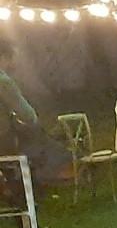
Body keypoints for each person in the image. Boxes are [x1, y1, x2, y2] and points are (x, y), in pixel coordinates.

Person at [0, 39, 73, 186]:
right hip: (4, 142)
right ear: (3, 57)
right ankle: (52, 176)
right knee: (41, 139)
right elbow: (26, 114)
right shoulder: (3, 81)